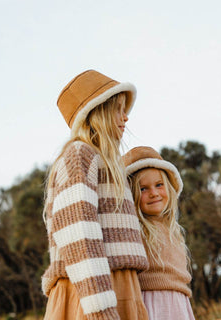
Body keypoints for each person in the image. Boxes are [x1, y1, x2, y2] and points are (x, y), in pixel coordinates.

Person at [42, 70, 149, 320]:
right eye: (118, 110)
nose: (125, 118)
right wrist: (100, 310)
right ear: (97, 113)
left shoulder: (106, 163)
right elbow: (78, 235)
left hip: (117, 286)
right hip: (92, 292)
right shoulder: (80, 155)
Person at [123, 146, 195, 320]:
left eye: (159, 185)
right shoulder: (134, 229)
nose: (154, 193)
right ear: (131, 194)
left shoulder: (175, 231)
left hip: (179, 303)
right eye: (143, 189)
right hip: (150, 304)